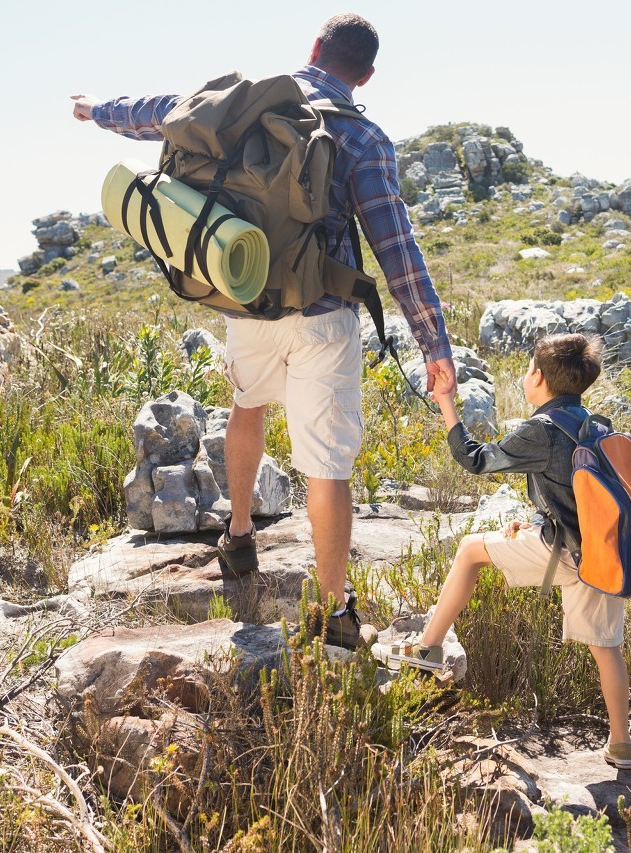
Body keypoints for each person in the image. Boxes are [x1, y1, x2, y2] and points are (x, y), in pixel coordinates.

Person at [71, 14, 455, 649]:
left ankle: (240, 536)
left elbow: (160, 111)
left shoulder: (245, 103)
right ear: (366, 76)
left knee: (247, 407)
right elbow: (398, 251)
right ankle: (335, 611)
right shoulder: (362, 138)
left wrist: (96, 110)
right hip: (322, 316)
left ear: (313, 50)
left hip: (244, 300)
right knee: (327, 467)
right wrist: (433, 344)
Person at [396, 333, 631, 770]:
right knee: (607, 648)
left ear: (539, 378)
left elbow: (475, 460)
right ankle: (622, 746)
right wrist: (536, 521)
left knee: (470, 549)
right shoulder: (596, 424)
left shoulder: (541, 430)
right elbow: (578, 496)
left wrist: (447, 404)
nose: (524, 375)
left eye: (528, 369)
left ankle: (428, 650)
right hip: (604, 555)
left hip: (563, 554)